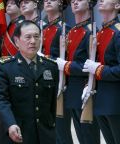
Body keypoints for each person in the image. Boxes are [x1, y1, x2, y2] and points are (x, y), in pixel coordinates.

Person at [0, 20, 58, 144]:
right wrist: (10, 124)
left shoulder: (51, 67)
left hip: (44, 134)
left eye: (36, 37)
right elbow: (0, 100)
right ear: (17, 41)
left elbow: (52, 104)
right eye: (28, 37)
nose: (33, 41)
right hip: (16, 132)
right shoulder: (5, 68)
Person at [55, 0, 100, 143]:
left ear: (89, 4)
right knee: (80, 137)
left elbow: (90, 65)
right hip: (71, 92)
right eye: (73, 0)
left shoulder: (91, 31)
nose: (74, 2)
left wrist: (66, 65)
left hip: (85, 91)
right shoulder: (72, 31)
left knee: (89, 138)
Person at [82, 0, 120, 143]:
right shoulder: (99, 32)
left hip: (115, 101)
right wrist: (87, 84)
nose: (101, 1)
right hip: (99, 99)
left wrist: (98, 69)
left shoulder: (117, 33)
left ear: (117, 5)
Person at [43, 0, 73, 144]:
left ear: (61, 4)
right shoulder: (43, 28)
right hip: (43, 83)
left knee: (62, 132)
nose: (47, 1)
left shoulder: (65, 28)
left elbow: (67, 58)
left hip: (59, 85)